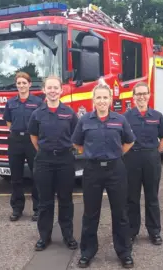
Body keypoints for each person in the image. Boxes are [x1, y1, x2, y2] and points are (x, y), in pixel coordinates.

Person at [71, 82, 136, 269]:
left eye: (105, 97)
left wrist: (116, 154)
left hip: (116, 169)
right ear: (93, 100)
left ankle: (124, 252)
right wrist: (92, 153)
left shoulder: (120, 120)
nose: (102, 101)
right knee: (91, 214)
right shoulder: (84, 120)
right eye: (98, 97)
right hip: (92, 170)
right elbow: (77, 143)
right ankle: (87, 252)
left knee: (120, 213)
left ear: (110, 99)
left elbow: (129, 142)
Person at [27, 75, 78, 251]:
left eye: (56, 88)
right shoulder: (37, 114)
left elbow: (75, 136)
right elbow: (34, 137)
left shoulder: (69, 113)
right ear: (44, 90)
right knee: (45, 202)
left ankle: (68, 235)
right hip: (44, 161)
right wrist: (45, 150)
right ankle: (44, 237)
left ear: (61, 90)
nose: (53, 91)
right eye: (49, 88)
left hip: (65, 160)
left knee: (65, 200)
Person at [123, 82, 163, 245]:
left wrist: (155, 151)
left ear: (149, 95)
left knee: (152, 197)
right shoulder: (126, 117)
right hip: (132, 160)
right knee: (131, 198)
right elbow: (121, 139)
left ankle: (154, 231)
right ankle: (131, 231)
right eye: (138, 94)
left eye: (144, 93)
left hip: (151, 159)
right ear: (133, 97)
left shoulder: (157, 116)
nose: (141, 96)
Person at [2, 71, 42, 222]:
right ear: (16, 85)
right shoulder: (11, 103)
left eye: (24, 83)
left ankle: (38, 209)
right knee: (16, 177)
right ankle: (17, 208)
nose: (21, 86)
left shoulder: (37, 102)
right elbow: (8, 122)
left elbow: (40, 122)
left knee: (36, 175)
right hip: (15, 141)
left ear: (29, 84)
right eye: (19, 83)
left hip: (31, 141)